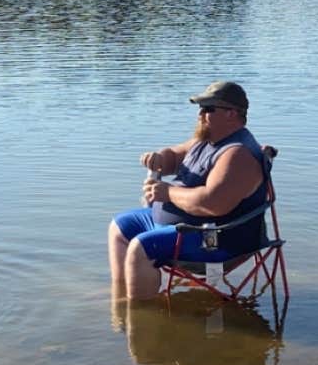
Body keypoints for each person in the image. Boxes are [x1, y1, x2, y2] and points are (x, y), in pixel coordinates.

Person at [107, 82, 269, 301]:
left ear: (231, 114)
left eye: (208, 109)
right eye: (200, 108)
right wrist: (160, 158)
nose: (200, 114)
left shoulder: (238, 155)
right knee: (119, 227)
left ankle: (140, 318)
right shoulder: (206, 140)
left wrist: (168, 193)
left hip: (217, 239)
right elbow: (175, 156)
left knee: (141, 247)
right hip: (182, 226)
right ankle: (121, 298)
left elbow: (213, 202)